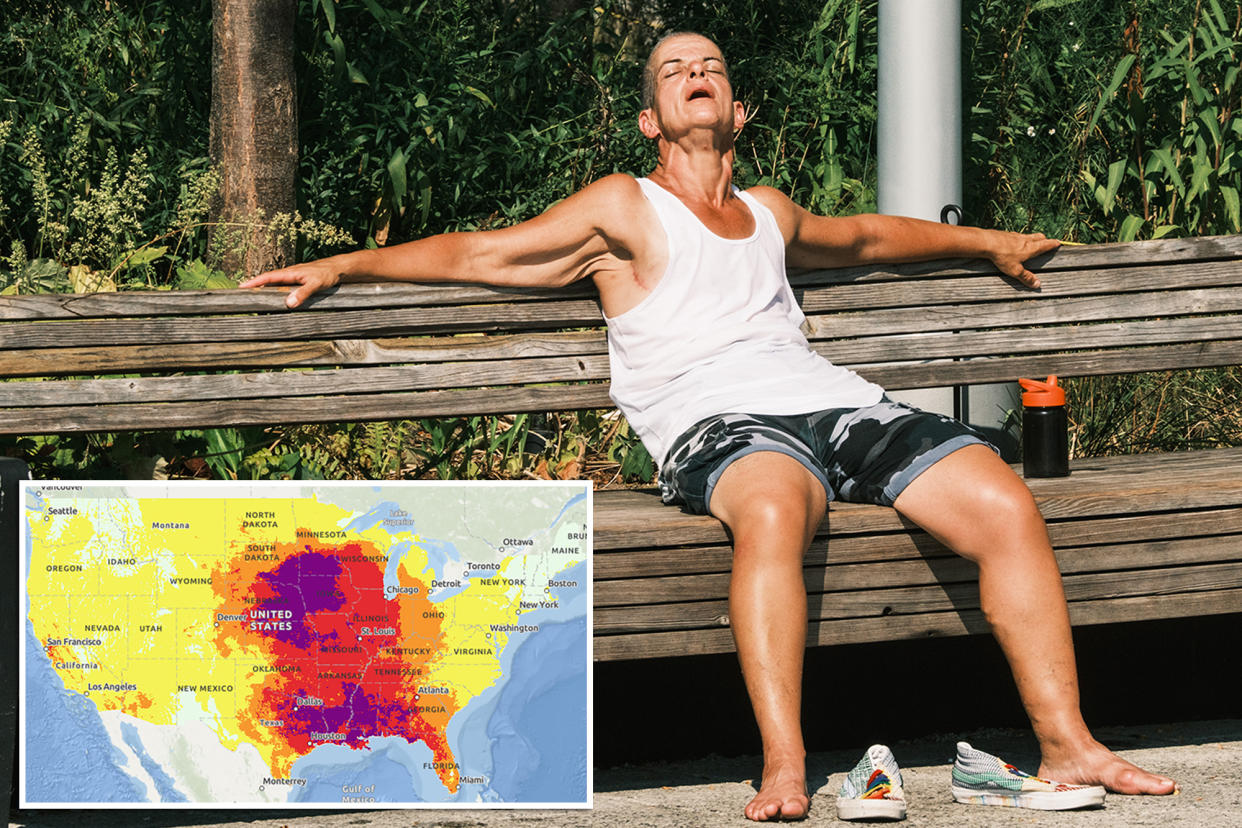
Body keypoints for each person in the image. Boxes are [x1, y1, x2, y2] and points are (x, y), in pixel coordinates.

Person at [240, 31, 1178, 822]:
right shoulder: (625, 206)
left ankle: (1070, 748)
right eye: (675, 70)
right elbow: (487, 253)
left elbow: (868, 238)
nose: (697, 73)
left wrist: (990, 241)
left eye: (713, 67)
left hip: (837, 405)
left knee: (1003, 498)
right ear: (652, 118)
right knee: (774, 508)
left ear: (739, 113)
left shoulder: (767, 214)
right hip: (716, 425)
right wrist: (350, 263)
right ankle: (783, 763)